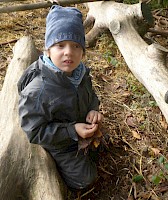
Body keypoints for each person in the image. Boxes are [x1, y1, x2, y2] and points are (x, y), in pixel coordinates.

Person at [17, 5, 103, 191]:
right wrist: (72, 131)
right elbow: (34, 131)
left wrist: (93, 109)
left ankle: (85, 146)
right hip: (59, 142)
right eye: (60, 45)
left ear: (83, 52)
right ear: (47, 49)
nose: (68, 52)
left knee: (99, 151)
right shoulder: (38, 91)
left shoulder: (80, 72)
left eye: (75, 46)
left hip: (79, 126)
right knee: (86, 179)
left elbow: (91, 96)